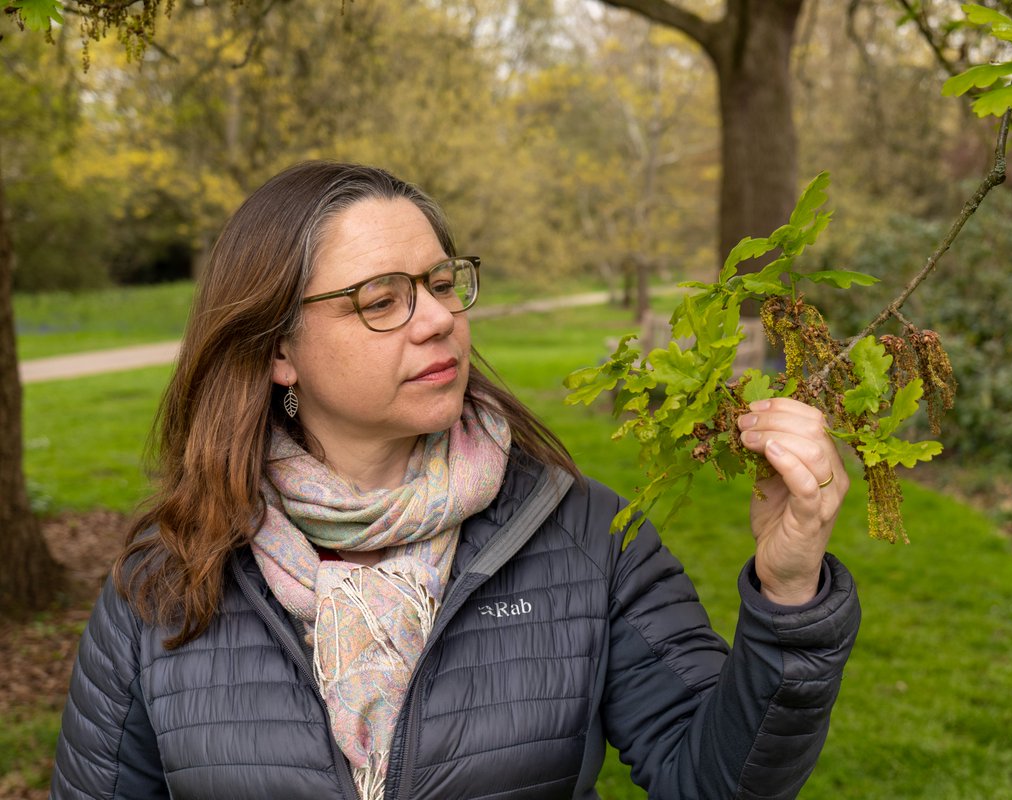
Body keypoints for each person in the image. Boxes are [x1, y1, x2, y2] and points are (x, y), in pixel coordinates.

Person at [52, 161, 860, 800]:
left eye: (441, 284)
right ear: (278, 350)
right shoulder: (163, 585)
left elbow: (715, 780)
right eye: (382, 300)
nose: (438, 318)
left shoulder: (584, 540)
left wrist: (789, 593)